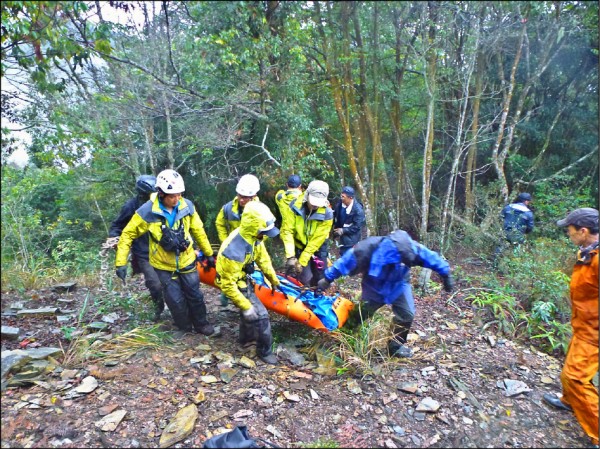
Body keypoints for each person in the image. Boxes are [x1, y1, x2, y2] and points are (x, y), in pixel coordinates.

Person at [317, 230, 455, 358]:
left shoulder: (411, 249)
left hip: (399, 285)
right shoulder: (367, 249)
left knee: (407, 314)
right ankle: (343, 337)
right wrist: (328, 278)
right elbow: (345, 262)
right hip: (373, 287)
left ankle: (395, 347)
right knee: (360, 314)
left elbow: (431, 258)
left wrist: (446, 274)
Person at [115, 169, 216, 336]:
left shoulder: (187, 206)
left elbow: (198, 230)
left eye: (179, 194)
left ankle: (201, 324)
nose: (176, 199)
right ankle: (183, 326)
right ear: (161, 194)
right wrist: (121, 262)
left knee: (195, 294)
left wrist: (208, 253)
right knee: (174, 299)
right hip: (162, 264)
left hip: (187, 258)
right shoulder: (147, 211)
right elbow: (127, 234)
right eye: (172, 196)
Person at [544, 208, 598, 446]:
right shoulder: (587, 252)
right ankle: (569, 401)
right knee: (571, 362)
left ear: (583, 231)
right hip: (583, 323)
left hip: (594, 330)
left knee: (576, 377)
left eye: (570, 229)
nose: (568, 233)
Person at [215, 201, 283, 364]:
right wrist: (246, 306)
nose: (265, 235)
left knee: (251, 312)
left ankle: (245, 339)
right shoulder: (234, 251)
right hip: (234, 282)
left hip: (243, 276)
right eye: (264, 231)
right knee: (261, 315)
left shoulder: (253, 236)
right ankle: (264, 351)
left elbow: (263, 258)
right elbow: (227, 285)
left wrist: (273, 279)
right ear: (254, 227)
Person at [106, 175, 165, 322]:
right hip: (144, 253)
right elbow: (117, 226)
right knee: (155, 284)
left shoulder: (163, 203)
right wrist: (114, 238)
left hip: (164, 250)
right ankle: (159, 310)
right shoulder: (130, 206)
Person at [215, 174, 261, 307]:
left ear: (254, 195)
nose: (241, 200)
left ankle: (249, 299)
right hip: (234, 249)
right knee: (229, 275)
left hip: (252, 248)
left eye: (245, 197)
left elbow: (266, 230)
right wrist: (226, 242)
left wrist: (257, 244)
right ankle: (228, 293)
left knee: (250, 274)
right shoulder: (229, 208)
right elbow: (220, 223)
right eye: (240, 195)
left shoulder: (260, 210)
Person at [280, 179, 333, 287]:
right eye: (313, 202)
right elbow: (287, 230)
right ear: (307, 195)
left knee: (321, 277)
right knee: (304, 278)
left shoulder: (327, 213)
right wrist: (291, 257)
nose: (315, 206)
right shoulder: (294, 206)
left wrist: (302, 261)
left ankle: (318, 294)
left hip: (318, 246)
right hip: (299, 244)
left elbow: (316, 240)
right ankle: (304, 293)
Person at [493, 192, 535, 266]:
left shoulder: (508, 207)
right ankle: (513, 267)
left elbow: (500, 218)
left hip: (505, 232)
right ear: (526, 201)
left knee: (499, 249)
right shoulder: (529, 213)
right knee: (516, 252)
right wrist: (524, 232)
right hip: (518, 235)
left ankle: (495, 265)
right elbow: (530, 227)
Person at [332, 186, 365, 257]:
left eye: (343, 197)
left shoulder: (358, 210)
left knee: (349, 256)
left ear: (350, 198)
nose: (341, 198)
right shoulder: (340, 203)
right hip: (341, 235)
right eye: (341, 196)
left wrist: (343, 230)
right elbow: (335, 214)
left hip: (352, 238)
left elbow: (357, 227)